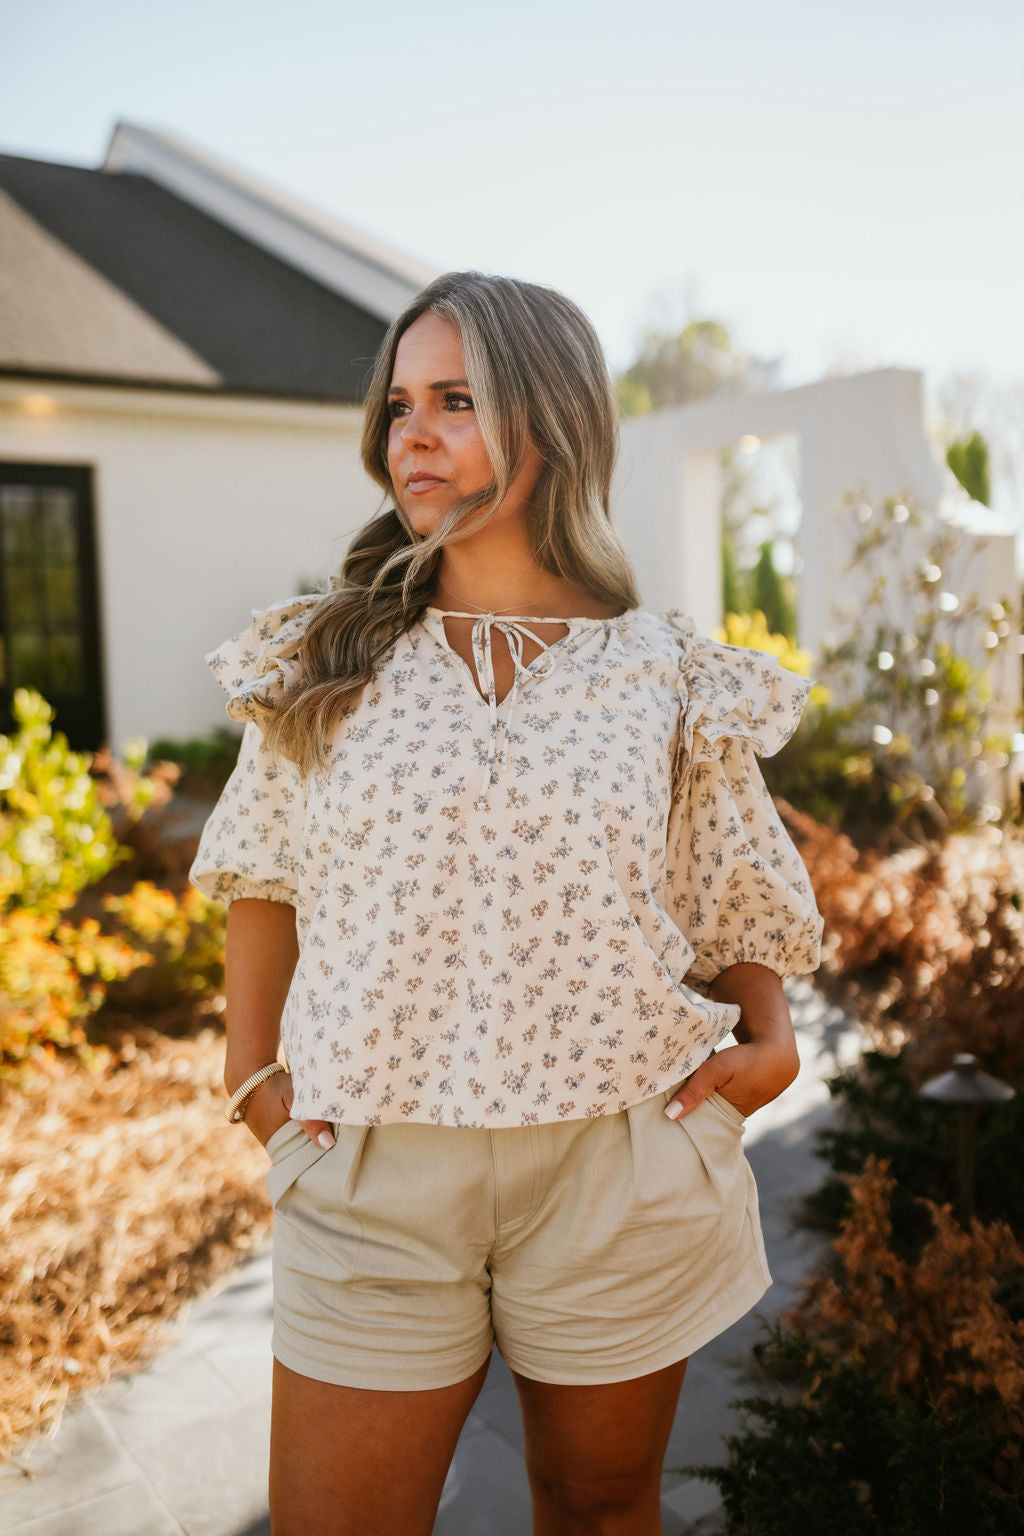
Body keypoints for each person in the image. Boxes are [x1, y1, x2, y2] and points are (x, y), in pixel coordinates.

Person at [188, 269, 823, 1536]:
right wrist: (253, 1079)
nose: (407, 433)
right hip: (370, 1167)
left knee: (595, 1509)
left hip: (614, 1162)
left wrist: (766, 1035)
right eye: (399, 404)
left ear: (550, 421)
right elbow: (260, 872)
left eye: (455, 400)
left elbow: (731, 887)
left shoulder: (667, 675)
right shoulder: (323, 657)